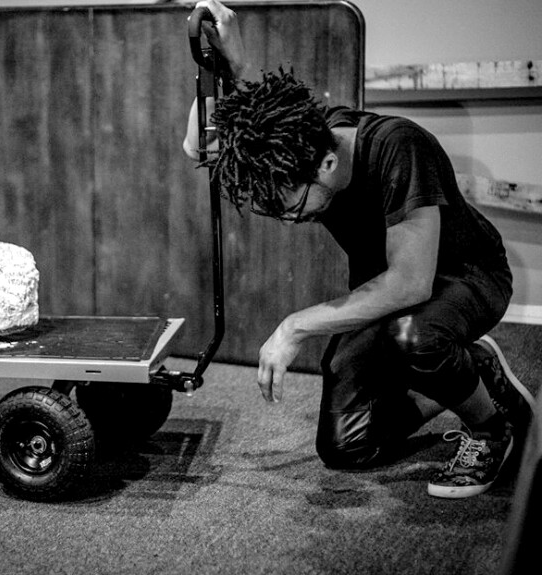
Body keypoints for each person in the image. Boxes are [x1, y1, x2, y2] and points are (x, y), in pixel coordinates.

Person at [184, 0, 535, 498]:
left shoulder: (398, 146)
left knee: (413, 335)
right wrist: (222, 65)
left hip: (465, 278)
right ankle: (472, 369)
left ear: (327, 164)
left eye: (293, 206)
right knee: (347, 447)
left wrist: (294, 327)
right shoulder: (298, 139)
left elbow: (411, 283)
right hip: (385, 294)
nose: (291, 219)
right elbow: (198, 148)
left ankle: (490, 427)